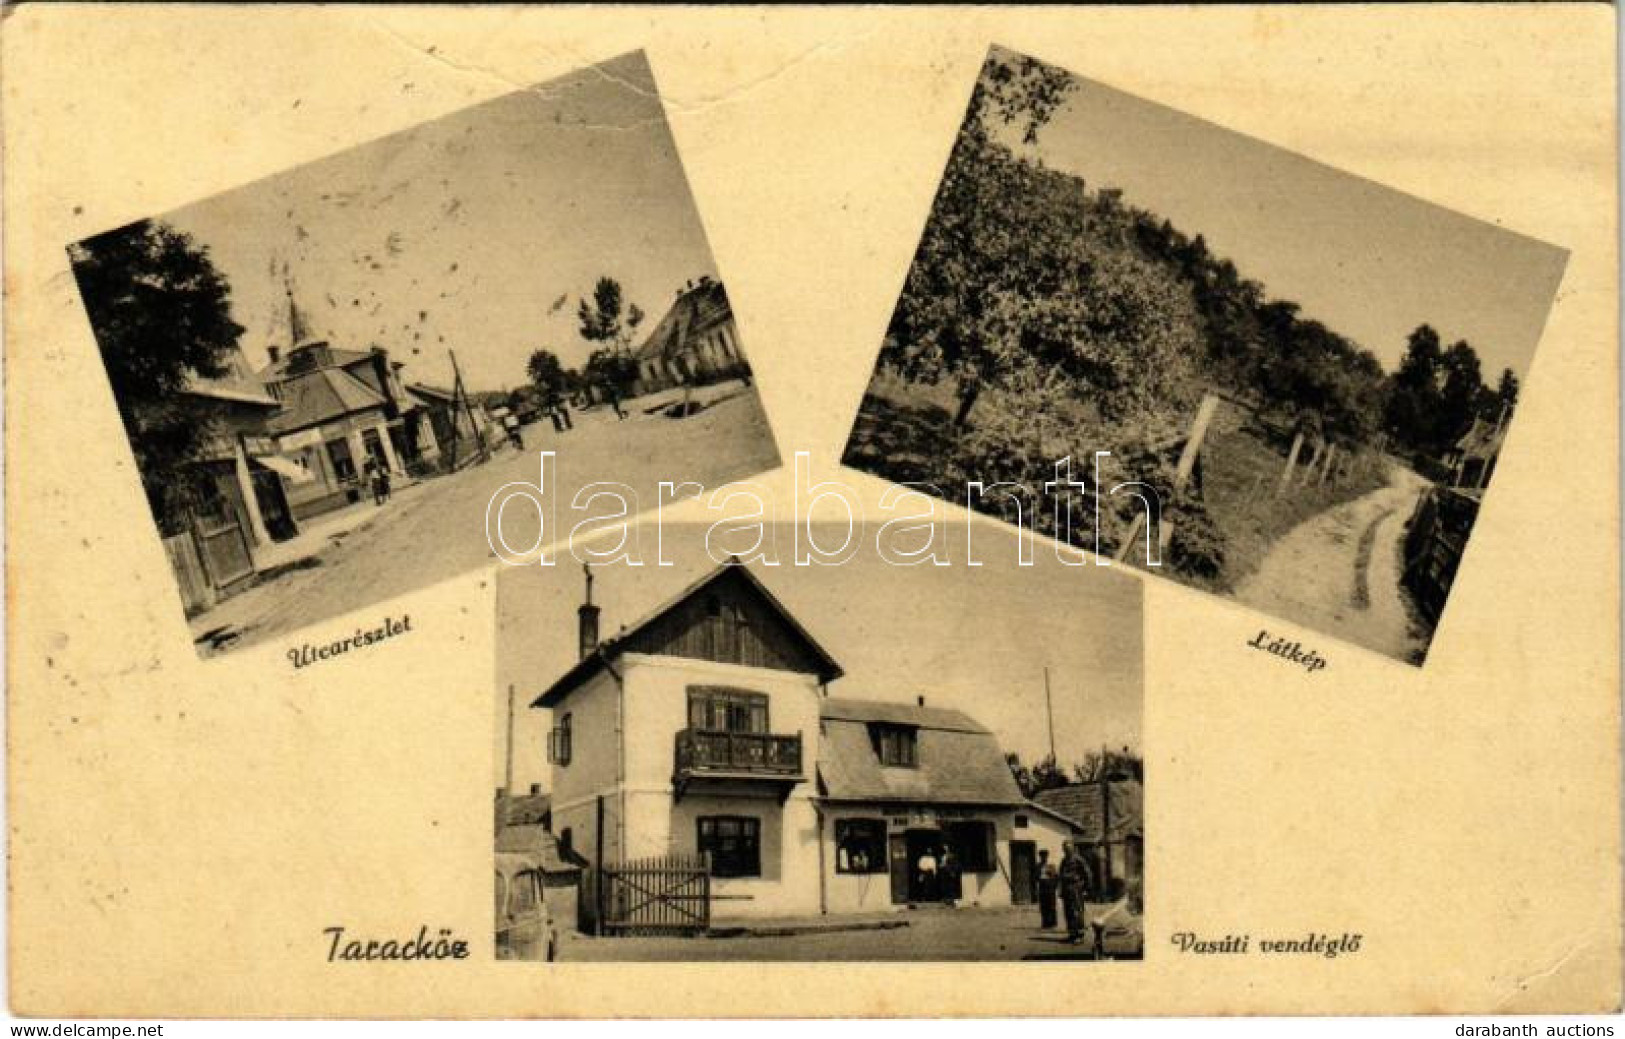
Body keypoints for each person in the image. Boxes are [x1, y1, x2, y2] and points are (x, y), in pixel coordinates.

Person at [1059, 842, 1092, 944]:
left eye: (1068, 849)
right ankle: (1072, 934)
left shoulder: (1078, 859)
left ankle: (1079, 935)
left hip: (1076, 888)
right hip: (1066, 889)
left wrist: (1086, 888)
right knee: (1068, 912)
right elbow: (1061, 875)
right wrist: (1061, 890)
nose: (1066, 851)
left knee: (1077, 911)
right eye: (1064, 849)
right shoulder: (1064, 860)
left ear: (1072, 849)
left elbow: (1088, 874)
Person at [1036, 849, 1059, 930]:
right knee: (1043, 906)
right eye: (1042, 856)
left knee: (1051, 905)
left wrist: (1054, 886)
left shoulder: (1051, 866)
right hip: (1042, 887)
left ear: (1047, 857)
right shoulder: (1038, 866)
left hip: (1050, 887)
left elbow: (1056, 877)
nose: (1043, 858)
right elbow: (1036, 877)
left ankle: (1053, 923)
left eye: (1045, 856)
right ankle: (1045, 923)